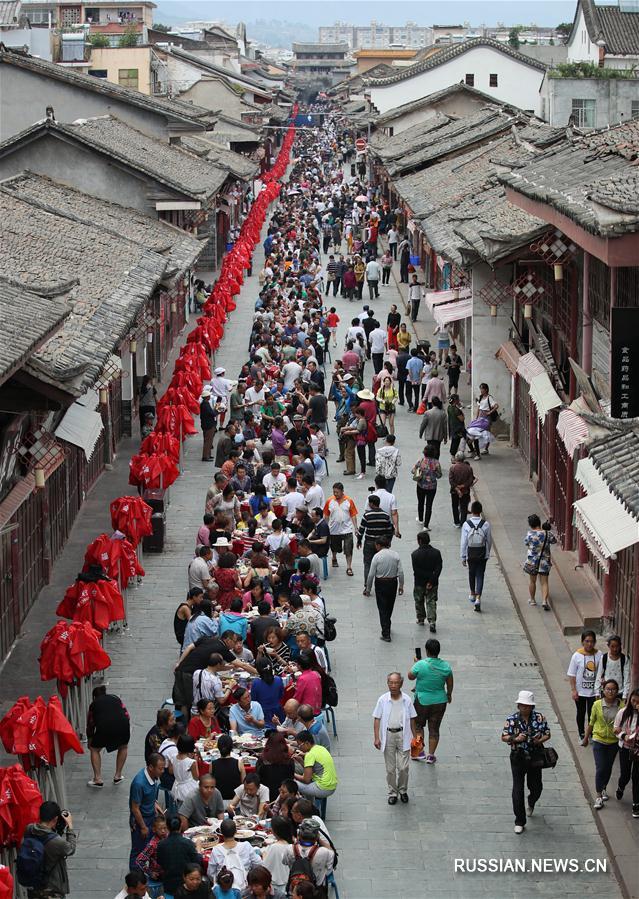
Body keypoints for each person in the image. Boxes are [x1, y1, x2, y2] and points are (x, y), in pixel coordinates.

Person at [501, 690, 551, 834]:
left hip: (535, 756)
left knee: (536, 786)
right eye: (522, 705)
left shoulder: (540, 718)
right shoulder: (512, 719)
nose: (524, 708)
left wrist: (539, 740)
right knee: (517, 788)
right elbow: (504, 736)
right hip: (518, 756)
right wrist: (515, 739)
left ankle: (532, 801)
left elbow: (547, 733)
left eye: (527, 705)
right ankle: (519, 820)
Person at [372, 672, 417, 805]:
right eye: (390, 683)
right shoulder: (383, 699)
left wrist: (415, 737)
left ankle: (403, 790)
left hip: (403, 735)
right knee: (390, 769)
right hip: (389, 735)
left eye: (396, 682)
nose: (393, 685)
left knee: (403, 767)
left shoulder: (407, 700)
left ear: (401, 683)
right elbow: (377, 718)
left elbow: (413, 719)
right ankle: (392, 792)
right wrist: (376, 737)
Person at [408, 639, 453, 764]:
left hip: (422, 701)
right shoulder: (446, 666)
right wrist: (449, 694)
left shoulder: (421, 664)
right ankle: (431, 755)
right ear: (438, 651)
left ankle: (419, 752)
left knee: (418, 726)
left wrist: (416, 664)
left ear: (427, 651)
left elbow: (410, 676)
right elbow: (450, 682)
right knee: (434, 729)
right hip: (440, 701)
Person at [21, 801, 77, 898]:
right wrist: (70, 827)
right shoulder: (57, 842)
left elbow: (44, 836)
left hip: (33, 885)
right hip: (52, 888)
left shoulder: (29, 829)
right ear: (55, 819)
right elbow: (70, 849)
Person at [584, 678, 624, 810]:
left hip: (613, 741)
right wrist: (585, 738)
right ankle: (598, 795)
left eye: (613, 689)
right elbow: (591, 722)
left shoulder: (622, 706)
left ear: (617, 691)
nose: (610, 691)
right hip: (599, 739)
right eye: (608, 689)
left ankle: (604, 786)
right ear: (603, 690)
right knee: (600, 767)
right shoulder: (596, 704)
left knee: (608, 767)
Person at [86, 685, 130, 787]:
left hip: (104, 727)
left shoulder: (93, 704)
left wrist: (90, 739)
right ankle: (118, 775)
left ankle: (97, 778)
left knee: (94, 749)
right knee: (123, 746)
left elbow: (90, 724)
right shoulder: (115, 698)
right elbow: (127, 714)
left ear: (94, 697)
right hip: (123, 725)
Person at [365, 535, 404, 643]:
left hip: (381, 583)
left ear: (378, 545)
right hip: (392, 582)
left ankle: (386, 632)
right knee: (389, 606)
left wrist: (368, 589)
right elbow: (400, 572)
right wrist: (401, 585)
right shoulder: (395, 555)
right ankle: (387, 624)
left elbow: (371, 575)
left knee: (382, 608)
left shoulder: (377, 557)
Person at [567, 629, 603, 744]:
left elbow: (601, 671)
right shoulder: (576, 656)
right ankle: (581, 733)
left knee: (593, 714)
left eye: (592, 641)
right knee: (581, 712)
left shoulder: (599, 655)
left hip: (594, 692)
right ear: (582, 642)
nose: (589, 644)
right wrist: (573, 690)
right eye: (587, 641)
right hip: (580, 691)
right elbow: (572, 674)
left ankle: (591, 733)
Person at [207, 819, 261, 890]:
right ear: (236, 831)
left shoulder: (216, 849)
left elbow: (211, 873)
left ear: (220, 832)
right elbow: (258, 864)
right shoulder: (246, 846)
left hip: (224, 889)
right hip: (244, 888)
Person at [283, 820, 334, 894]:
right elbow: (329, 869)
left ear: (299, 834)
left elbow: (284, 862)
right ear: (317, 836)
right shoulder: (325, 852)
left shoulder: (289, 849)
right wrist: (319, 840)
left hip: (294, 890)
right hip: (315, 891)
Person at [156, 816, 203, 897]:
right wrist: (198, 848)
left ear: (167, 827)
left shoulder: (161, 845)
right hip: (185, 886)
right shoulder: (188, 843)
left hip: (168, 885)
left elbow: (159, 862)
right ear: (181, 825)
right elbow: (198, 862)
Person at [460, 500, 492, 613]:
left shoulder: (466, 524)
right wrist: (487, 554)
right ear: (480, 511)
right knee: (480, 574)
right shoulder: (486, 524)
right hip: (482, 553)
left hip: (471, 553)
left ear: (472, 511)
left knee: (471, 573)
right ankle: (479, 597)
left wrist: (463, 556)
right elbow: (489, 541)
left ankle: (472, 593)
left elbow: (463, 542)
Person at [357, 495, 394, 587]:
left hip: (369, 542)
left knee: (368, 564)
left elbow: (361, 530)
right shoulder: (386, 516)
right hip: (381, 544)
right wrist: (388, 542)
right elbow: (390, 531)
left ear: (372, 504)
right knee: (382, 563)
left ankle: (367, 585)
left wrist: (359, 541)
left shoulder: (367, 515)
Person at [614, 688, 639, 818]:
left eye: (638, 702)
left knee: (637, 777)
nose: (635, 704)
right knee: (625, 774)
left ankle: (636, 804)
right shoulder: (623, 713)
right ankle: (621, 787)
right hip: (625, 747)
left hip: (638, 750)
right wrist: (624, 736)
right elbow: (616, 729)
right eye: (633, 701)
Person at [323, 483, 358, 576]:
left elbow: (353, 515)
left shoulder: (349, 501)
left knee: (348, 549)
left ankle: (349, 567)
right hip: (334, 530)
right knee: (334, 547)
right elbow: (326, 515)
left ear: (342, 491)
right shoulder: (329, 501)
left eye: (337, 492)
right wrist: (325, 528)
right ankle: (334, 558)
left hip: (347, 529)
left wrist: (356, 528)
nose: (335, 494)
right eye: (334, 492)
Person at [523, 515, 557, 610]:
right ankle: (544, 601)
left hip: (532, 562)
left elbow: (526, 543)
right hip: (544, 562)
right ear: (539, 522)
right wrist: (547, 530)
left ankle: (532, 600)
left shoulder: (530, 534)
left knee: (532, 581)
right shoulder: (547, 534)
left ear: (530, 525)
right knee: (544, 582)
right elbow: (554, 541)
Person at [411, 531, 443, 632]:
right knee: (431, 601)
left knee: (419, 600)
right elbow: (439, 568)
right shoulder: (436, 553)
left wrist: (426, 580)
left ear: (419, 541)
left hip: (419, 582)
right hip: (433, 583)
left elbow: (416, 570)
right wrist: (431, 580)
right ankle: (432, 621)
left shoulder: (415, 554)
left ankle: (421, 618)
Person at [294, 731, 338, 800]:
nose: (299, 748)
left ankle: (308, 806)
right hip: (332, 785)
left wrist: (292, 774)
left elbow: (306, 780)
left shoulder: (310, 755)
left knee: (293, 784)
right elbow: (311, 770)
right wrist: (300, 760)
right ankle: (310, 803)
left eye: (300, 745)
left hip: (323, 788)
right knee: (306, 784)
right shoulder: (320, 748)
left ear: (307, 743)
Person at [256, 731, 296, 801]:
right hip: (284, 797)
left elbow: (257, 780)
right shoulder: (290, 761)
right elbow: (291, 779)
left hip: (265, 797)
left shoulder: (262, 761)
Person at [412, 445, 442, 530]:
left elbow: (413, 471)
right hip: (432, 487)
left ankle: (421, 519)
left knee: (420, 502)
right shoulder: (436, 462)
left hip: (421, 485)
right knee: (429, 505)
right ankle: (426, 525)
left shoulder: (421, 461)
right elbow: (439, 475)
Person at [209, 733, 245, 803]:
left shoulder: (212, 764)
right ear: (232, 747)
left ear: (218, 747)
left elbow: (210, 785)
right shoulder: (239, 763)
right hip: (235, 803)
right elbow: (243, 785)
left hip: (218, 802)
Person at [262, 816, 294, 893]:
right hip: (287, 885)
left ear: (276, 831)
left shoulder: (275, 847)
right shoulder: (292, 845)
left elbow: (265, 867)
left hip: (277, 887)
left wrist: (264, 855)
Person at [250, 658, 285, 727]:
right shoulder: (278, 679)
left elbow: (253, 700)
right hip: (278, 711)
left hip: (263, 713)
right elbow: (281, 695)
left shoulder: (256, 683)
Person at [596, 634, 629, 699]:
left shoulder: (624, 659)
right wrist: (597, 692)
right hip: (606, 692)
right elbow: (599, 675)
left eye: (617, 646)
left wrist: (625, 695)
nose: (615, 649)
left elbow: (627, 678)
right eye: (612, 646)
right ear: (608, 646)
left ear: (620, 646)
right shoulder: (604, 658)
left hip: (619, 692)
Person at [170, 735, 199, 806]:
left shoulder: (173, 758)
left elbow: (171, 771)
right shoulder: (191, 762)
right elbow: (196, 777)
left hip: (177, 785)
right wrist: (195, 760)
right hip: (189, 789)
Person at [448, 452, 474, 529]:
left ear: (456, 458)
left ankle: (456, 522)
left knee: (455, 506)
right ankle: (463, 522)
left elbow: (451, 480)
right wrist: (463, 486)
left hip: (454, 491)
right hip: (465, 491)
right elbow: (470, 480)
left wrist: (457, 488)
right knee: (464, 507)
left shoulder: (452, 468)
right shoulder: (469, 468)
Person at [200, 388, 218, 462]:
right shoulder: (205, 404)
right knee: (208, 441)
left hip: (206, 424)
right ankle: (205, 456)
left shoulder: (204, 404)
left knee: (209, 441)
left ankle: (208, 455)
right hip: (208, 425)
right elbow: (212, 414)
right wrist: (216, 410)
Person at [405, 349, 423, 413]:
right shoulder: (420, 361)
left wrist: (412, 380)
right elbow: (421, 371)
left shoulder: (409, 361)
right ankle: (416, 407)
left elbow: (409, 372)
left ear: (411, 354)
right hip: (417, 380)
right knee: (416, 394)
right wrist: (420, 380)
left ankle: (411, 405)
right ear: (417, 354)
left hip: (409, 380)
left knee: (408, 393)